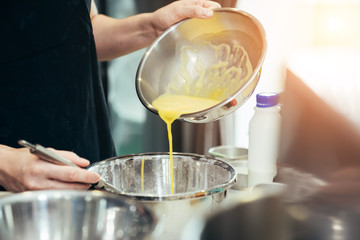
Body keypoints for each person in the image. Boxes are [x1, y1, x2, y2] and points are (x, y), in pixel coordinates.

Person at [0, 0, 221, 192]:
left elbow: (80, 28)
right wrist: (6, 165)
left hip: (84, 144)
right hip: (13, 172)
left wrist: (150, 28)